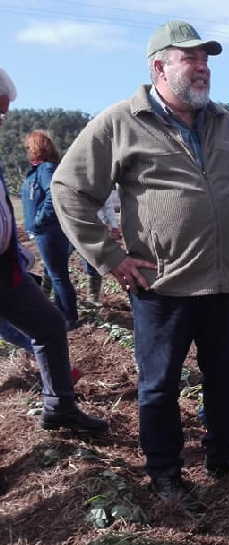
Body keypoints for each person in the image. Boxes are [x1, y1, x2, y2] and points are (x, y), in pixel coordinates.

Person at [50, 21, 229, 503]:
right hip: (162, 285)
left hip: (224, 282)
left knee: (227, 376)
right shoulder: (121, 121)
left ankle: (223, 453)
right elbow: (68, 189)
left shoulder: (225, 124)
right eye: (190, 59)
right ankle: (165, 471)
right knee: (160, 386)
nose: (203, 68)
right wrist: (109, 257)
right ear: (158, 67)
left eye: (206, 60)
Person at [0, 69, 107, 446]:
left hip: (7, 269)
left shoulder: (39, 171)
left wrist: (17, 246)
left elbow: (49, 200)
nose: (4, 119)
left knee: (49, 324)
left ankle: (59, 405)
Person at [21, 131, 79, 329]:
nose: (27, 151)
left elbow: (52, 197)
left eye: (29, 147)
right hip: (45, 231)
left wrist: (38, 221)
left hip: (49, 231)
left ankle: (69, 318)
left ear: (37, 148)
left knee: (57, 274)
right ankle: (61, 311)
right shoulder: (38, 170)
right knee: (54, 272)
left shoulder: (46, 169)